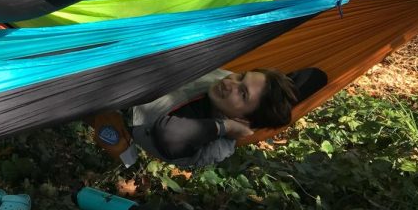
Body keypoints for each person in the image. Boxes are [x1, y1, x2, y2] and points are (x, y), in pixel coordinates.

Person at [91, 67, 324, 168]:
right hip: (129, 70)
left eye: (242, 94)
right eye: (241, 77)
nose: (230, 84)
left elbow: (169, 133)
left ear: (243, 121)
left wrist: (224, 127)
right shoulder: (222, 83)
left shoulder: (216, 147)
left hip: (105, 100)